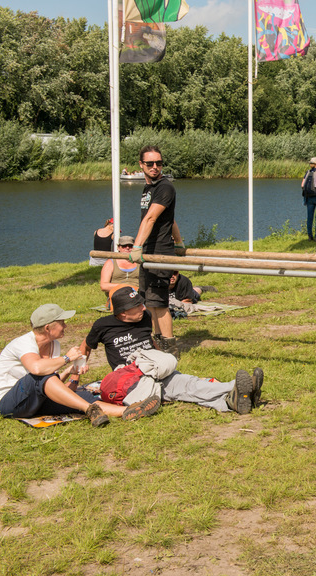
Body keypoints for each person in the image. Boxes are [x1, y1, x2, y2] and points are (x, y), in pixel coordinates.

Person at [80, 288, 264, 415]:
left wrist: (161, 357)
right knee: (182, 390)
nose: (143, 308)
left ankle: (235, 396)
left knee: (188, 384)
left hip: (155, 366)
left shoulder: (145, 317)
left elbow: (150, 340)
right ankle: (237, 393)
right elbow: (86, 346)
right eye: (137, 306)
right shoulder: (102, 325)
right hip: (130, 376)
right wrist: (79, 367)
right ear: (122, 313)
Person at [0, 303, 160, 427]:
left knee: (81, 398)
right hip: (6, 404)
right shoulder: (24, 344)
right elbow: (37, 370)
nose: (65, 325)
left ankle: (129, 411)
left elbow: (51, 384)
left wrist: (72, 373)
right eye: (61, 322)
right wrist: (67, 359)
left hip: (33, 400)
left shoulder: (53, 344)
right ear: (48, 328)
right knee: (38, 377)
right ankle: (90, 410)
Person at [128, 146, 184, 358]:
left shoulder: (165, 187)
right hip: (148, 252)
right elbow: (169, 219)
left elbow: (151, 218)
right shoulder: (148, 188)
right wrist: (179, 241)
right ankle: (157, 346)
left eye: (159, 163)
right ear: (141, 165)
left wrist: (136, 246)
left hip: (159, 252)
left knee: (159, 304)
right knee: (149, 303)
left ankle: (171, 351)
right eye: (150, 163)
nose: (155, 167)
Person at [100, 235, 140, 306]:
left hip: (137, 294)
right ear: (119, 247)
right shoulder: (110, 263)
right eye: (124, 246)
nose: (127, 248)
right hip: (118, 294)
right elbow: (103, 286)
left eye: (130, 246)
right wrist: (126, 287)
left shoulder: (139, 262)